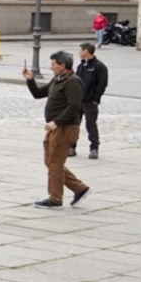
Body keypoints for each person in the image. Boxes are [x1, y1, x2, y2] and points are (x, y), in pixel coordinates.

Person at [24, 51, 89, 209]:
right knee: (51, 162)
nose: (51, 67)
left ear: (63, 66)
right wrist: (30, 80)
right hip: (55, 127)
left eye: (54, 64)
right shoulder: (57, 79)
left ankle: (55, 199)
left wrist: (56, 122)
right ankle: (80, 188)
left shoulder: (73, 81)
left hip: (65, 127)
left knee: (54, 163)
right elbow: (39, 94)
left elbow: (74, 107)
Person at [75, 42, 107, 159]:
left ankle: (94, 148)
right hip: (78, 100)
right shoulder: (81, 66)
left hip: (90, 101)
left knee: (90, 124)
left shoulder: (99, 67)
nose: (78, 52)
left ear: (86, 51)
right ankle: (72, 147)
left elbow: (102, 84)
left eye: (80, 50)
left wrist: (95, 99)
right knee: (74, 124)